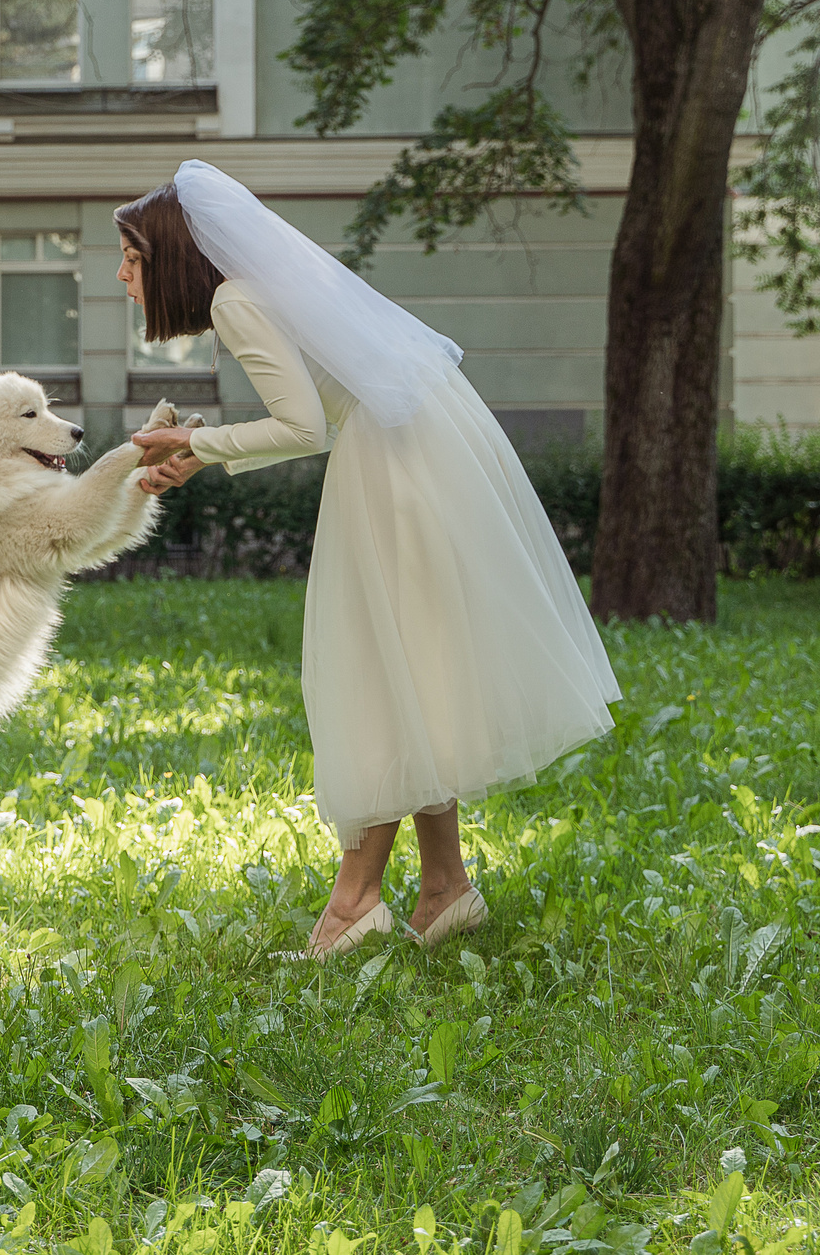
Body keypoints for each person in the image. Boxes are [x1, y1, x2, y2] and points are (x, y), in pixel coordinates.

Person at [119, 161, 619, 959]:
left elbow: (301, 425)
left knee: (381, 669)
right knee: (415, 662)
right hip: (416, 443)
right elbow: (310, 405)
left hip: (391, 463)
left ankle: (354, 904)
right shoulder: (255, 291)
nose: (123, 274)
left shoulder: (233, 298)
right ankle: (444, 886)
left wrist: (199, 444)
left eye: (133, 258)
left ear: (173, 258)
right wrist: (201, 445)